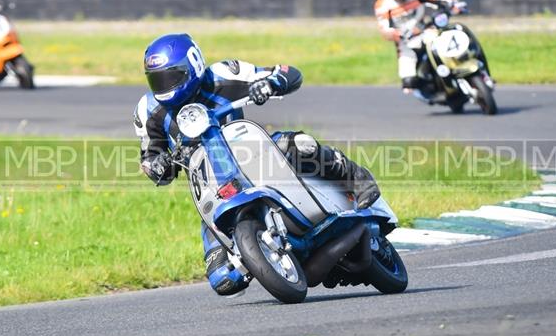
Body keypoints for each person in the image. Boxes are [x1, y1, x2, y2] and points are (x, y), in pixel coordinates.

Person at [133, 33, 381, 297]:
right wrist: (156, 165)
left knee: (298, 143)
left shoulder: (224, 74)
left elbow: (288, 72)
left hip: (251, 150)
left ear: (193, 64)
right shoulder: (148, 109)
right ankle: (261, 250)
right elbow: (149, 155)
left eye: (171, 76)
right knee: (223, 279)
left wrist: (271, 83)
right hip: (212, 186)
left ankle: (357, 178)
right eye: (156, 79)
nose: (164, 86)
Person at [374, 0, 467, 91]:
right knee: (409, 83)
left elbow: (436, 0)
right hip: (406, 42)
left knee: (452, 37)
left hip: (426, 31)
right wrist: (396, 34)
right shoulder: (382, 4)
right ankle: (429, 88)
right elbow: (384, 29)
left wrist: (453, 4)